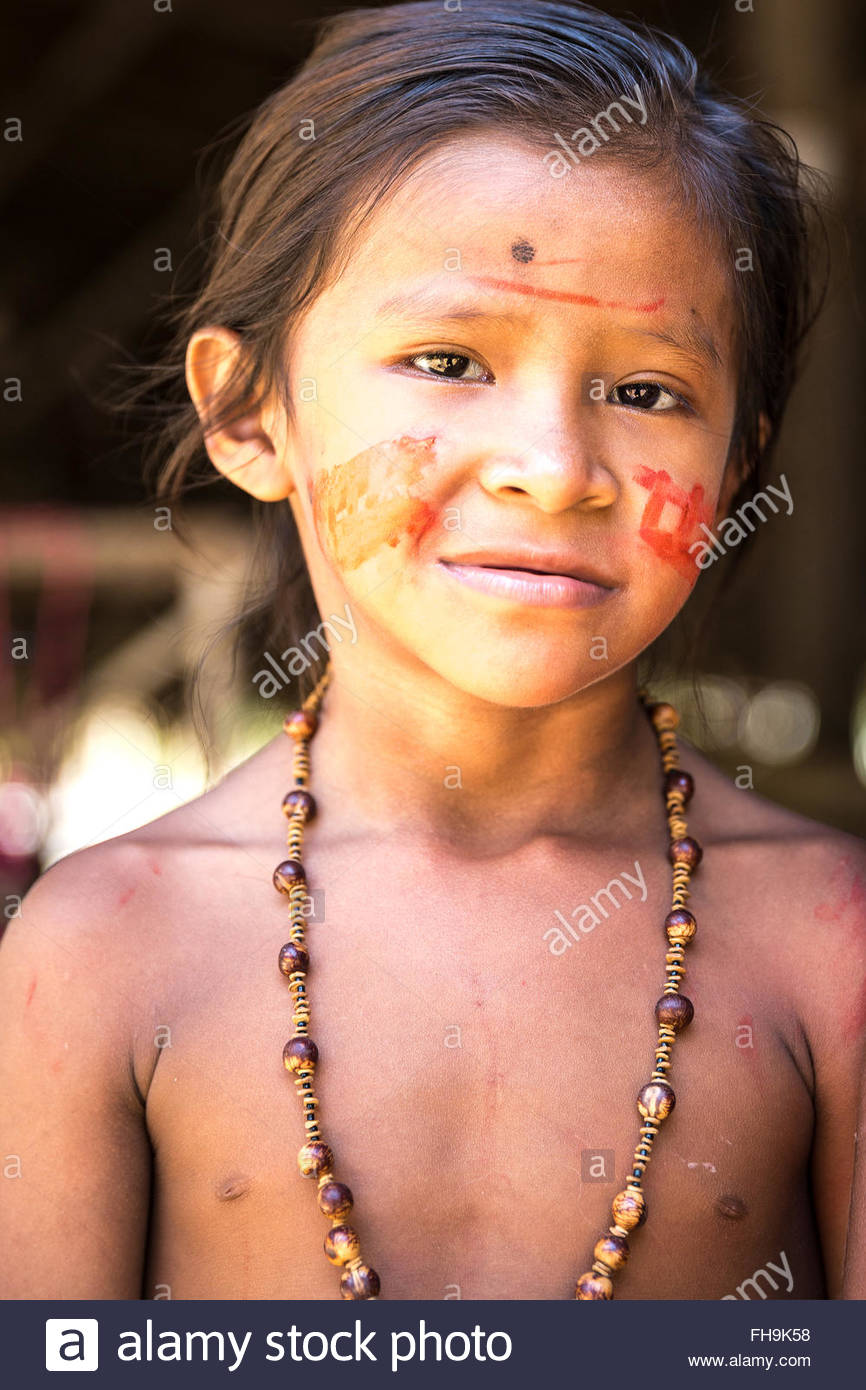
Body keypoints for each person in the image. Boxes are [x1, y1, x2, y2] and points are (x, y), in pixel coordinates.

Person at [1, 0, 864, 1302]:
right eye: (448, 358)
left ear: (736, 458)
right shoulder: (105, 944)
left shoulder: (829, 939)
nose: (551, 469)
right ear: (248, 413)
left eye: (644, 392)